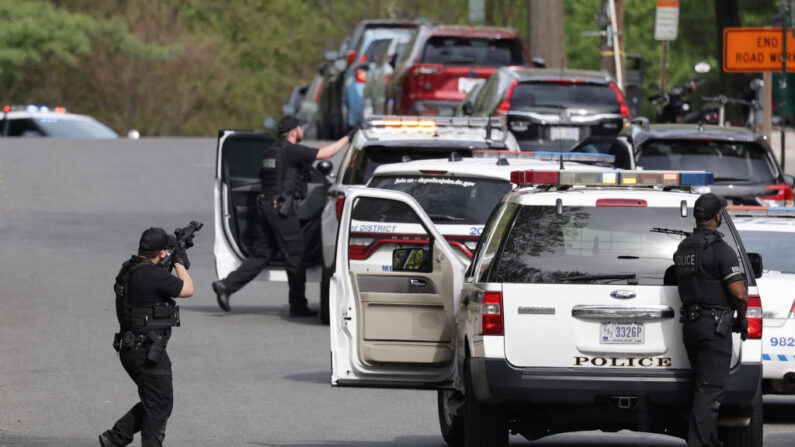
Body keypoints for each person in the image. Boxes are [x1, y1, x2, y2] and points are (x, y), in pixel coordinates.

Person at [212, 115, 352, 316]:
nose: (303, 130)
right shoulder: (291, 150)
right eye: (301, 127)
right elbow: (325, 153)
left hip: (265, 206)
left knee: (262, 254)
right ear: (294, 132)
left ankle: (226, 286)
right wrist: (348, 137)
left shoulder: (270, 151)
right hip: (282, 210)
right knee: (296, 257)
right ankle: (298, 306)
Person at [100, 227, 194, 447]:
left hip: (131, 348)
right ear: (162, 252)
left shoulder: (130, 268)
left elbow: (154, 282)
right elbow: (187, 289)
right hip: (146, 351)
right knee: (159, 405)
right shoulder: (152, 275)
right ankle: (119, 438)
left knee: (155, 401)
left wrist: (171, 256)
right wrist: (178, 260)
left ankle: (115, 438)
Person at [673, 193, 749, 447]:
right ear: (718, 216)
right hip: (713, 328)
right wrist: (743, 317)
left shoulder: (683, 248)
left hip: (691, 326)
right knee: (710, 391)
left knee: (703, 387)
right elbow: (739, 294)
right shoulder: (720, 250)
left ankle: (711, 442)